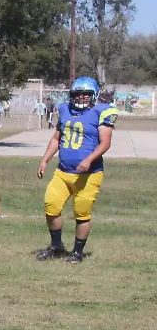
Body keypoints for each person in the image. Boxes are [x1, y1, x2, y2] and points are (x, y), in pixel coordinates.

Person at [36, 77, 117, 263]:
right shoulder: (65, 110)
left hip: (89, 175)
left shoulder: (101, 112)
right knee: (51, 206)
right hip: (63, 171)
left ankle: (77, 252)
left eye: (85, 94)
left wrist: (88, 160)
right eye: (77, 94)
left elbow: (105, 143)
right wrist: (45, 160)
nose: (81, 97)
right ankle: (56, 246)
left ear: (93, 95)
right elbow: (57, 138)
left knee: (81, 214)